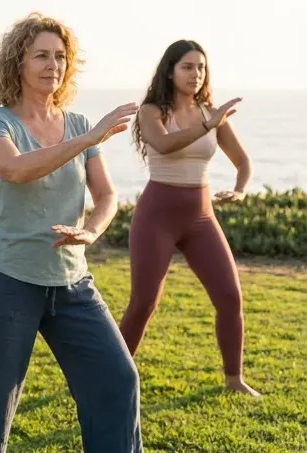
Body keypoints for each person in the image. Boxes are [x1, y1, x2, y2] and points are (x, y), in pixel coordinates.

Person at [0, 13, 143, 453]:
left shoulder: (78, 124)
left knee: (117, 381)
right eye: (41, 55)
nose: (52, 65)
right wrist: (91, 136)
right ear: (17, 62)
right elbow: (15, 169)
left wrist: (91, 231)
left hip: (71, 282)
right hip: (5, 276)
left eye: (60, 57)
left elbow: (106, 196)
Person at [118, 40, 259, 397]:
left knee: (229, 296)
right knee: (144, 302)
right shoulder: (152, 111)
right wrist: (207, 124)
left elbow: (242, 162)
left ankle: (234, 380)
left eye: (201, 67)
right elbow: (164, 145)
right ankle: (113, 374)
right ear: (170, 70)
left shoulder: (211, 114)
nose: (196, 74)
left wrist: (240, 190)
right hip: (157, 216)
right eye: (187, 67)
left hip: (200, 218)